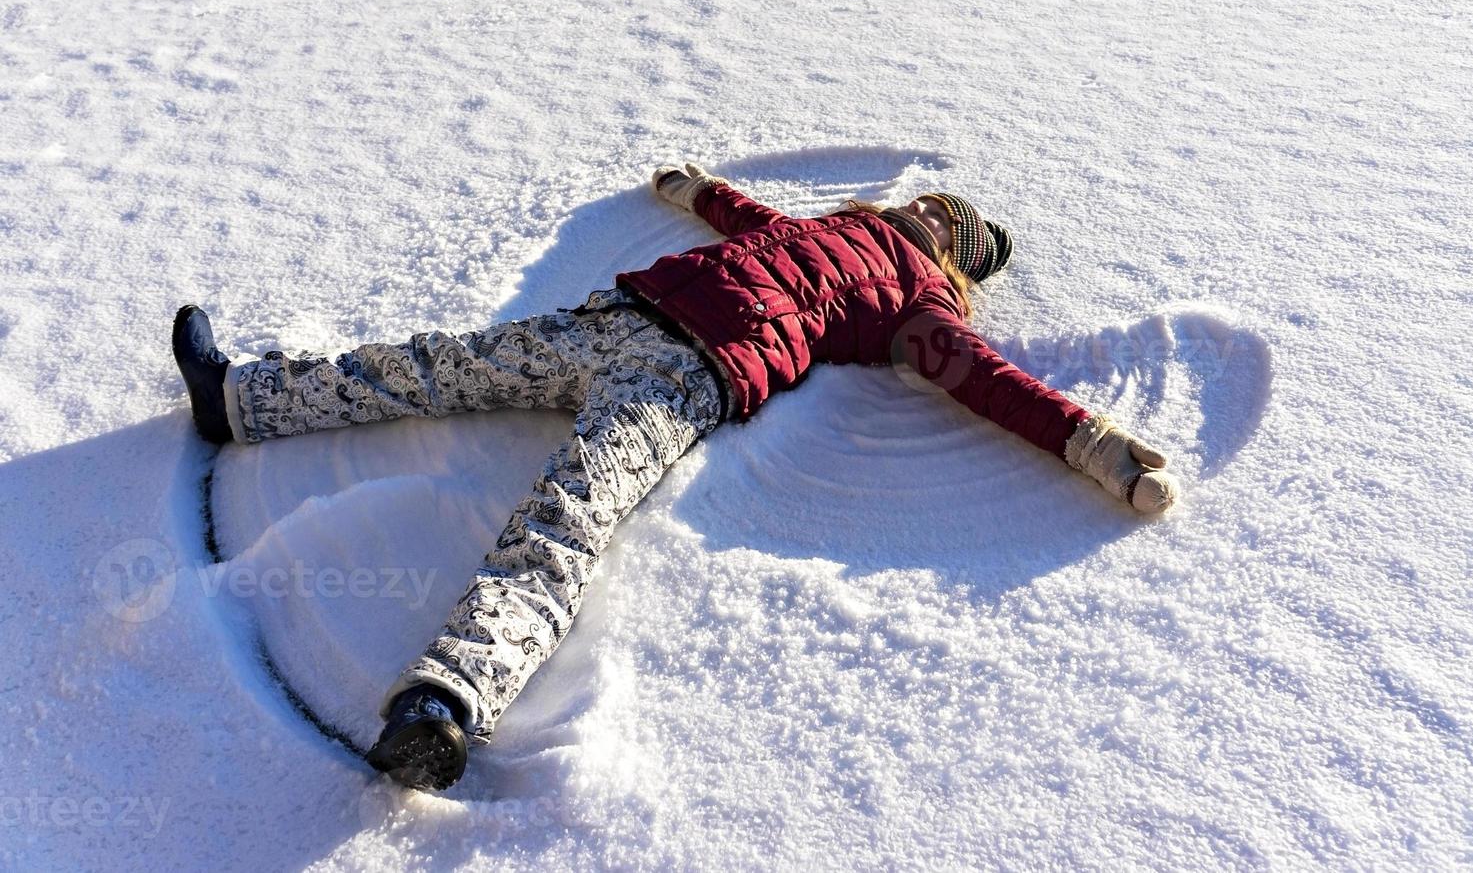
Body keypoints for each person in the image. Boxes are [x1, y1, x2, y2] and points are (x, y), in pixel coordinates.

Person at [171, 163, 1181, 792]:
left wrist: (1090, 442)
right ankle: (240, 400)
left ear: (953, 249)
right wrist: (696, 192)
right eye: (931, 199)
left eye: (946, 217)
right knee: (434, 364)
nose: (926, 209)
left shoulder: (918, 304)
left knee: (567, 517)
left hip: (683, 377)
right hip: (612, 322)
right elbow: (747, 217)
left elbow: (988, 380)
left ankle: (442, 703)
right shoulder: (816, 228)